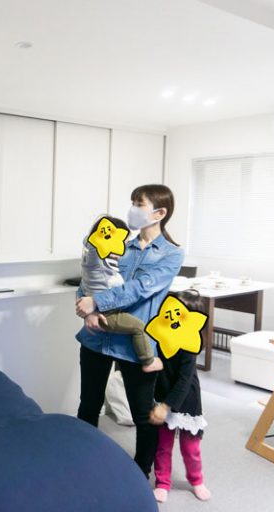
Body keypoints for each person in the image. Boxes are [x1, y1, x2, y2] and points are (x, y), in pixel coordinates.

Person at [74, 184, 184, 478]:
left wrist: (97, 302)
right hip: (97, 336)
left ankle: (140, 473)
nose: (132, 209)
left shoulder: (171, 254)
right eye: (132, 202)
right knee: (89, 405)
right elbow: (89, 277)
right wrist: (87, 308)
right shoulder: (119, 242)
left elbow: (139, 289)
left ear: (159, 213)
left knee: (143, 414)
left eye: (139, 204)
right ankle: (81, 463)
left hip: (136, 343)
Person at [78, 215, 163, 373]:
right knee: (138, 327)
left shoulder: (103, 263)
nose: (123, 247)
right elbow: (82, 291)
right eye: (121, 241)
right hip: (107, 316)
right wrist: (88, 312)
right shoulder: (97, 260)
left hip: (109, 323)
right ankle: (148, 361)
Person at [149, 290, 211, 503]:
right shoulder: (160, 337)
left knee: (190, 448)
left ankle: (197, 480)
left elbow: (184, 381)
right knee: (163, 445)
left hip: (186, 401)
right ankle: (162, 483)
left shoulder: (189, 346)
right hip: (163, 394)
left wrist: (166, 406)